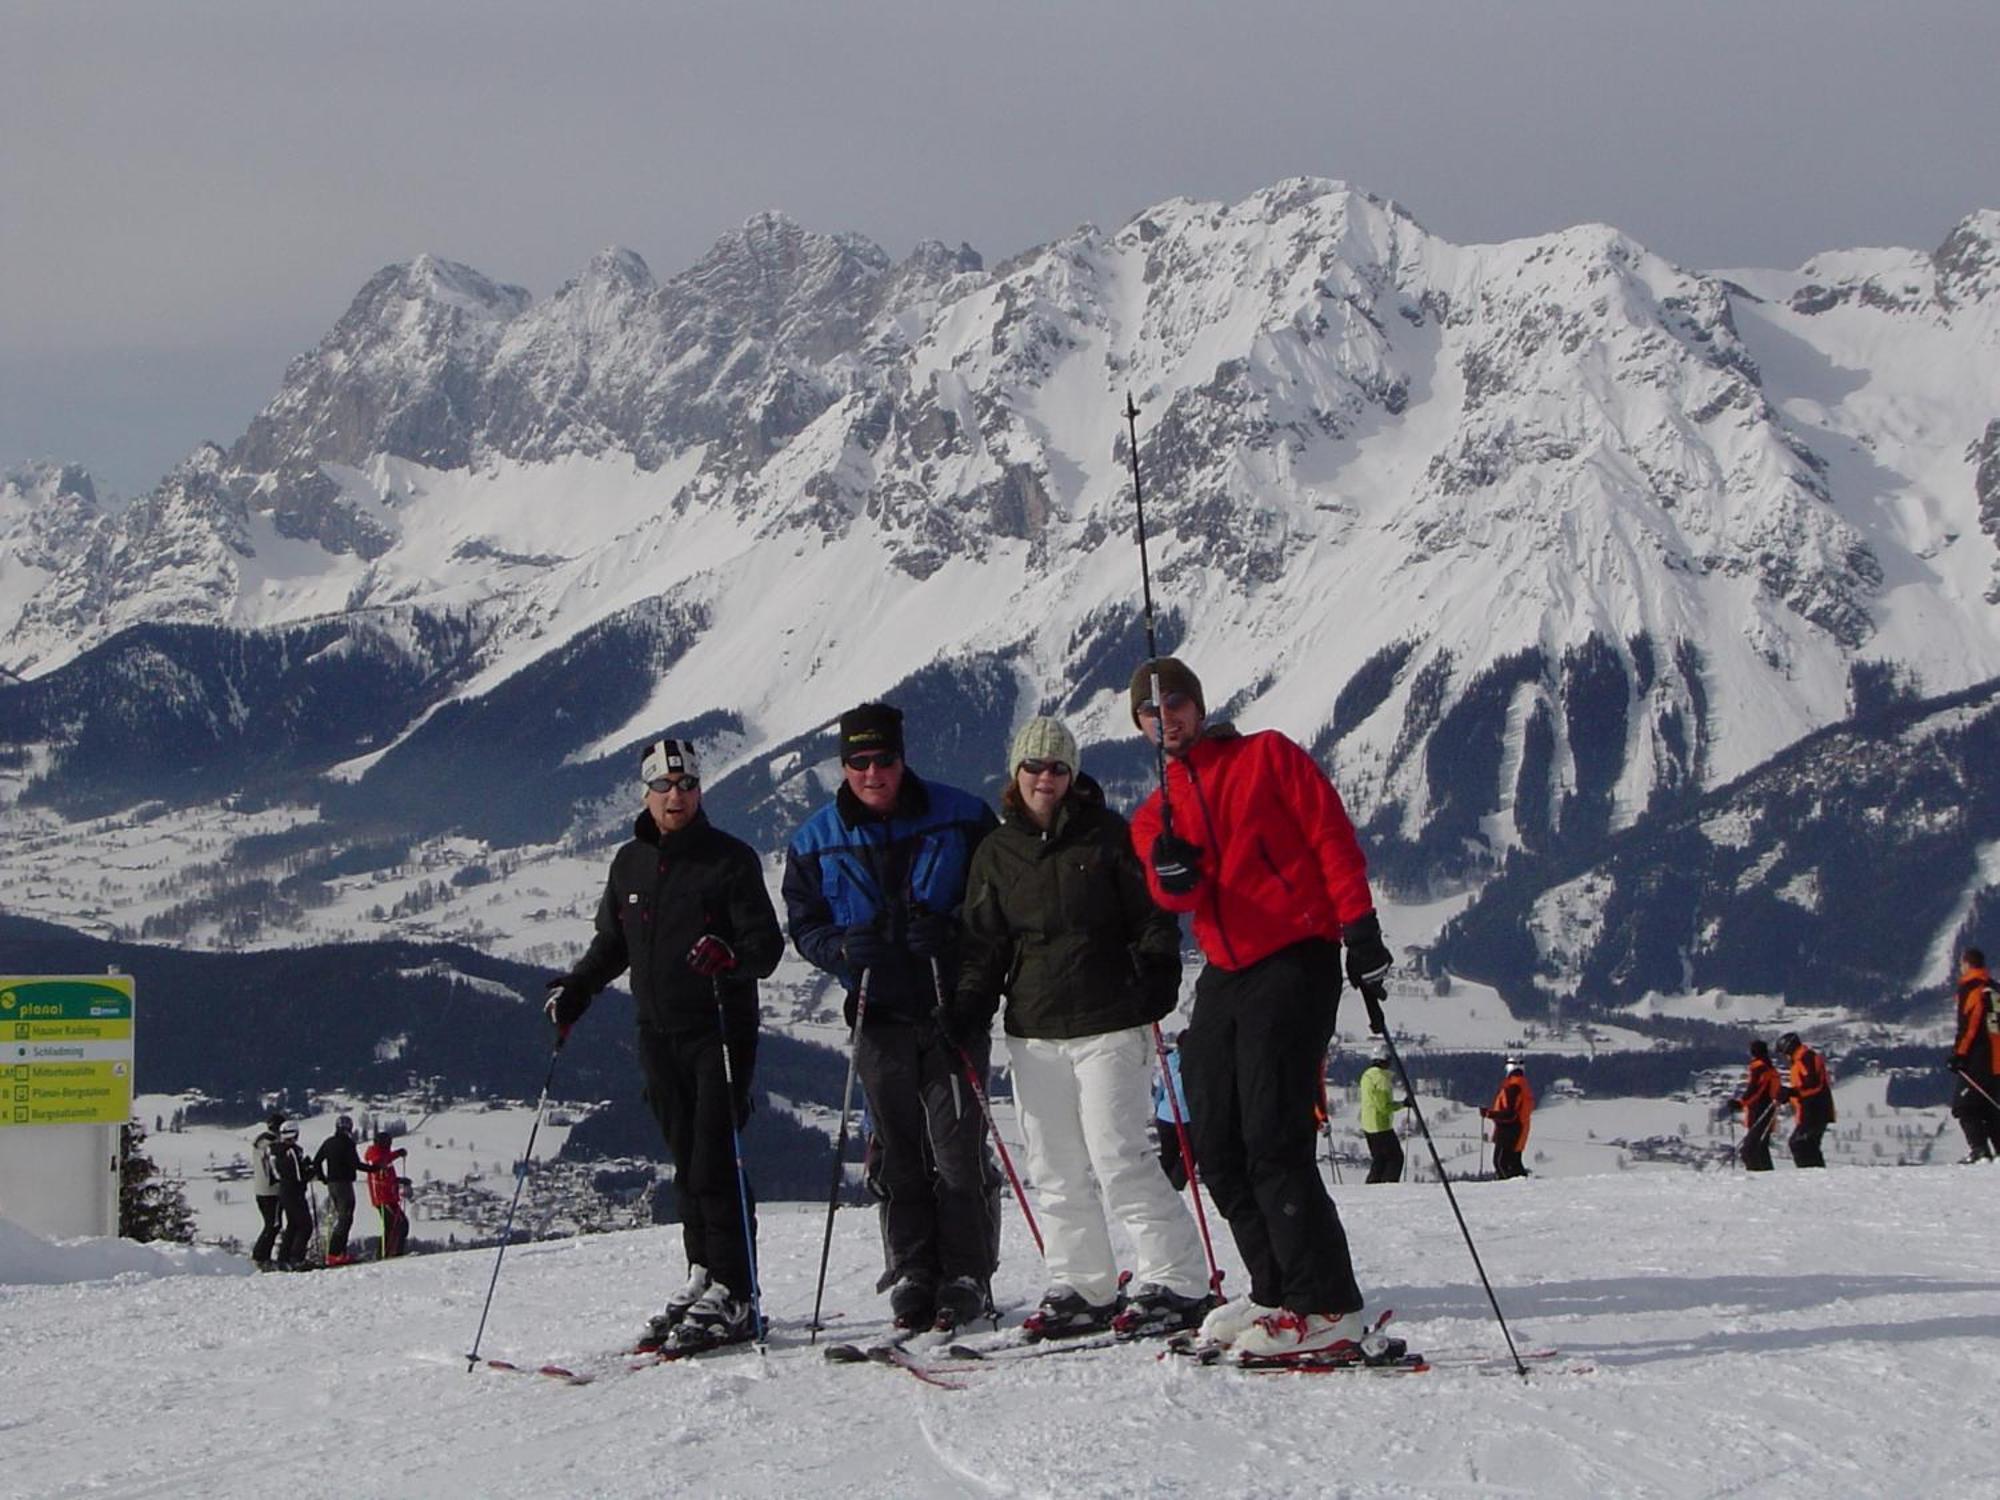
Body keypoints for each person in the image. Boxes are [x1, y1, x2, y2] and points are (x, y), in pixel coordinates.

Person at [1127, 657, 1393, 1361]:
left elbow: (1330, 836)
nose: (1169, 719)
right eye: (1155, 712)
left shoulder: (1265, 756)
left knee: (1274, 1134)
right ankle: (1275, 1289)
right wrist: (1172, 873)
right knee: (1214, 1142)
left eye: (1178, 703)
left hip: (1297, 952)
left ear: (1199, 706)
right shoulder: (1155, 813)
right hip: (1226, 968)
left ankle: (1326, 1302)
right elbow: (1171, 896)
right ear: (1140, 725)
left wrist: (1359, 930)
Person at [949, 716, 1212, 1339]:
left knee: (1118, 1152)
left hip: (1109, 1022)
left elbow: (1151, 916)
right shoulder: (997, 852)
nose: (1046, 778)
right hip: (1034, 1028)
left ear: (1073, 774)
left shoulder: (1107, 837)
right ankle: (1083, 1283)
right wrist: (967, 1006)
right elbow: (983, 945)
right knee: (1055, 1165)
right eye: (1035, 766)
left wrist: (1156, 971)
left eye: (1058, 767)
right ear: (1016, 773)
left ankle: (1176, 1278)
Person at [546, 736, 785, 1353]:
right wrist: (577, 990)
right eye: (663, 787)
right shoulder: (629, 864)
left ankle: (736, 1292)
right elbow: (613, 945)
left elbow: (765, 949)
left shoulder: (729, 860)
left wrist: (730, 957)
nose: (675, 796)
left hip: (719, 1030)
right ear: (645, 794)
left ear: (700, 789)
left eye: (686, 785)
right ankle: (703, 1274)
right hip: (657, 1031)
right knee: (686, 1159)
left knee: (715, 1157)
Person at [783, 701, 1001, 1333]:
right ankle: (912, 1270)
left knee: (958, 1151)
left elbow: (995, 904)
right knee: (898, 1155)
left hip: (950, 1012)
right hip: (877, 1013)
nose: (872, 772)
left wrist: (954, 932)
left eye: (884, 759)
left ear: (903, 759)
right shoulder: (816, 839)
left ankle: (966, 1273)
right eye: (858, 761)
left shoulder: (962, 817)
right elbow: (805, 924)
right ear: (843, 765)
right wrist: (842, 950)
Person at [1949, 947, 2000, 1164]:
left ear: (1967, 964)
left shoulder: (1972, 989)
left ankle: (1979, 1150)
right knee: (1991, 1106)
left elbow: (1969, 1025)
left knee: (1965, 1106)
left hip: (1978, 1057)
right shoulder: (1995, 988)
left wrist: (1959, 1054)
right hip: (1997, 1058)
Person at [1775, 1032, 1834, 1168]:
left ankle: (1811, 1175)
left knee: (1801, 1144)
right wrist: (1789, 1094)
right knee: (1806, 1145)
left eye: (1784, 1053)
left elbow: (1813, 1084)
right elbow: (1803, 1086)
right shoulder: (1799, 1060)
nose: (1785, 1057)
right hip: (1809, 1109)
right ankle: (1813, 1175)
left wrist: (1791, 1092)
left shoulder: (1806, 1058)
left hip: (1816, 1109)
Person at [313, 1114, 366, 1264]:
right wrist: (374, 1169)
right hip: (344, 1184)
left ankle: (338, 1253)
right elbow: (356, 1164)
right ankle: (335, 1253)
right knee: (345, 1218)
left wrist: (323, 1178)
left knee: (341, 1217)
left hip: (332, 1185)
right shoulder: (348, 1143)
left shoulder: (329, 1142)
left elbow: (317, 1161)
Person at [1358, 1047, 1410, 1184]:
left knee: (1379, 1159)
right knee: (1395, 1158)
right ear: (1385, 1060)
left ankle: (1373, 1185)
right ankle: (1388, 1187)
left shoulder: (1367, 1075)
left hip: (1368, 1124)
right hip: (1380, 1125)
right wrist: (1402, 1104)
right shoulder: (1381, 1078)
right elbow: (1384, 1107)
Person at [1729, 1040, 1781, 1172]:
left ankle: (1758, 1178)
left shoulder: (1759, 1067)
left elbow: (1755, 1089)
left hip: (1759, 1110)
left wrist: (1740, 1103)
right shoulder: (1769, 1067)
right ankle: (1767, 1176)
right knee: (1760, 1148)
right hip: (1768, 1110)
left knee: (1750, 1150)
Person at [271, 1120, 316, 1269]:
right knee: (305, 1226)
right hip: (294, 1191)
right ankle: (297, 1258)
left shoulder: (276, 1150)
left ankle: (283, 1258)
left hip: (284, 1191)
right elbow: (298, 1175)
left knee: (293, 1225)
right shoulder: (292, 1151)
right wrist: (310, 1170)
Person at [1482, 1058, 1534, 1180]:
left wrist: (1489, 1114)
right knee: (1514, 1163)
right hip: (1520, 1129)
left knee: (1500, 1163)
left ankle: (1508, 1189)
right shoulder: (1523, 1085)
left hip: (1508, 1130)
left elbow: (1509, 1114)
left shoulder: (1513, 1087)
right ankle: (1523, 1188)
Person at [1153, 1034, 1191, 1192]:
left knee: (1170, 1153)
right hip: (1187, 1117)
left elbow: (1159, 1089)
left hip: (1165, 1115)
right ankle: (1175, 1184)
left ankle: (1161, 1182)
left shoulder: (1168, 1062)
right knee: (1190, 1153)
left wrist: (1158, 1108)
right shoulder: (1195, 1063)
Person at [365, 1130, 410, 1257]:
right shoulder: (375, 1153)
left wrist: (399, 1180)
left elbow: (386, 1176)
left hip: (389, 1196)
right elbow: (378, 1163)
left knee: (396, 1225)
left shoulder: (384, 1154)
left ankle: (391, 1253)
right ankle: (389, 1253)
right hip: (382, 1197)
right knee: (397, 1224)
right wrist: (397, 1154)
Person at [249, 1110, 284, 1269]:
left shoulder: (260, 1143)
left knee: (270, 1224)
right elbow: (276, 1167)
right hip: (272, 1190)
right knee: (274, 1225)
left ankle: (261, 1256)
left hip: (260, 1189)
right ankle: (261, 1257)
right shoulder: (273, 1144)